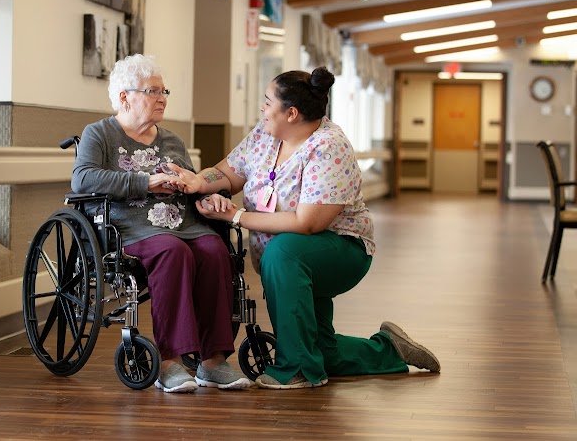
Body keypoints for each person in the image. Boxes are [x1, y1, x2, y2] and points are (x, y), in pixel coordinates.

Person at [171, 67, 440, 389]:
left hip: (338, 250)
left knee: (282, 251)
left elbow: (307, 222)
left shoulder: (328, 146)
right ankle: (389, 349)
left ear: (292, 113)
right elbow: (228, 173)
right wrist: (199, 181)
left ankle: (295, 368)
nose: (262, 107)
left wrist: (236, 216)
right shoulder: (265, 135)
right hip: (291, 259)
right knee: (322, 351)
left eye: (268, 101)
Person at [71, 54, 251, 393]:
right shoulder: (100, 134)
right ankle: (170, 362)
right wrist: (146, 182)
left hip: (185, 223)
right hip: (132, 227)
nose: (162, 98)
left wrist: (210, 198)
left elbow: (192, 184)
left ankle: (213, 361)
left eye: (163, 91)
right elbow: (83, 179)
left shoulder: (172, 140)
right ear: (125, 96)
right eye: (152, 91)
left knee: (214, 249)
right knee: (172, 251)